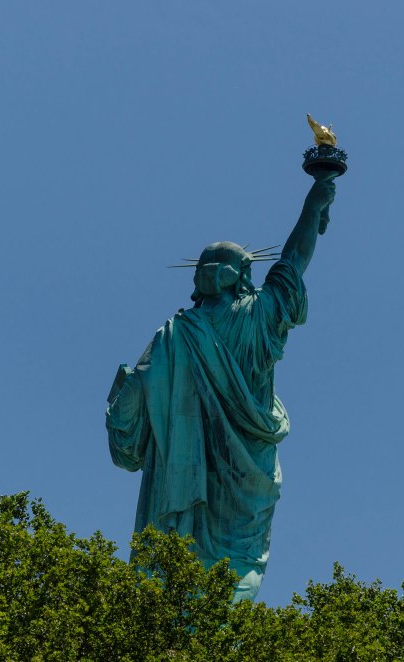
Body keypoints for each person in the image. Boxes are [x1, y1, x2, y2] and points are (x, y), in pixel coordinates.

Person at [105, 174, 337, 601]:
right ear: (242, 276)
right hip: (247, 478)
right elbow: (292, 262)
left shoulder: (172, 335)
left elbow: (129, 428)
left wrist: (126, 389)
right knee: (233, 581)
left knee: (176, 583)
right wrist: (313, 206)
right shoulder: (257, 316)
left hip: (180, 486)